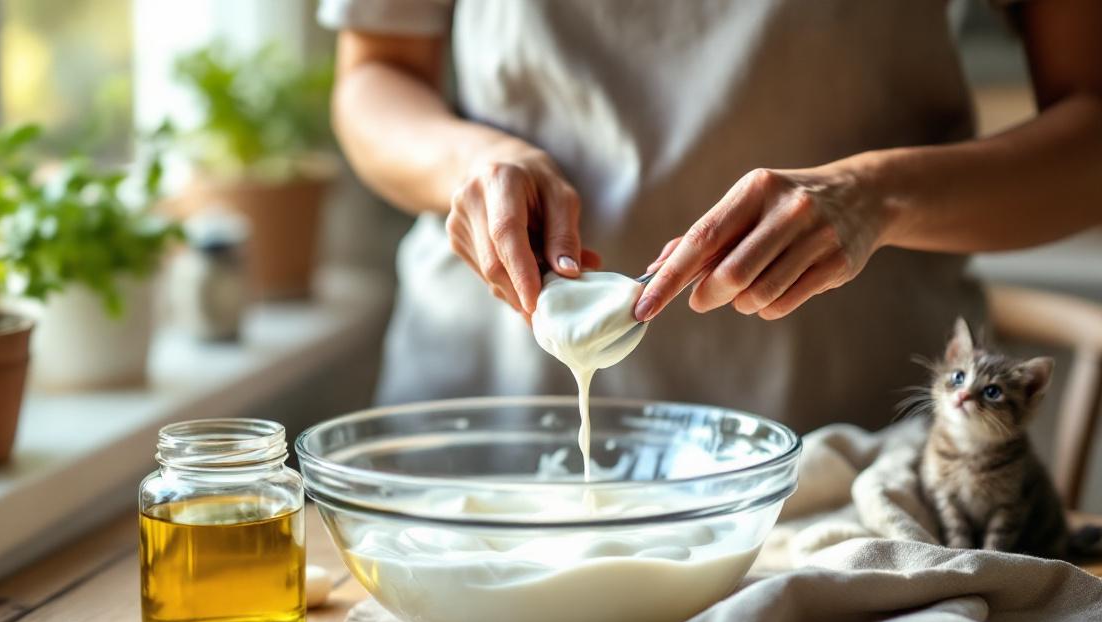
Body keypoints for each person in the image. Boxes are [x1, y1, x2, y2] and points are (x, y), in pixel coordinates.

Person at [321, 0, 1102, 432]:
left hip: (845, 439)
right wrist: (471, 161)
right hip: (487, 410)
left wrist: (876, 194)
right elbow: (376, 77)